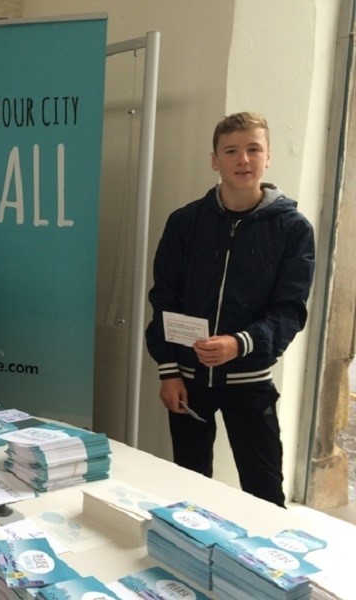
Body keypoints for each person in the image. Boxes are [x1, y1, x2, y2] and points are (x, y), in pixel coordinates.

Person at [145, 112, 315, 507]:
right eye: (232, 150)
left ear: (268, 156)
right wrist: (169, 370)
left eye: (253, 149)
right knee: (188, 486)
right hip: (187, 381)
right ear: (215, 160)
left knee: (264, 492)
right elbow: (164, 299)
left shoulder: (293, 229)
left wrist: (240, 344)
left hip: (250, 383)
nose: (243, 159)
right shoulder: (185, 223)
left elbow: (290, 310)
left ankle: (265, 565)